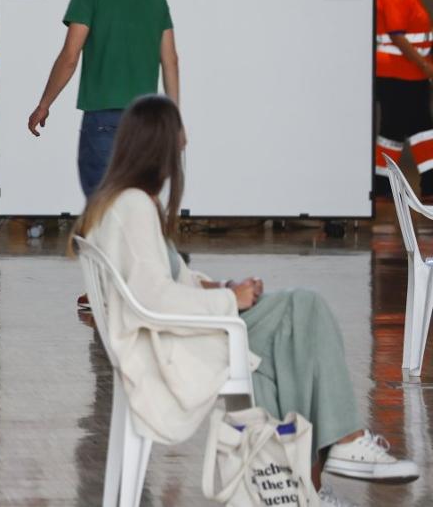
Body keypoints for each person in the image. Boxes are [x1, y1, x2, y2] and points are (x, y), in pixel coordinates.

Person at [76, 95, 418, 501]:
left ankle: (299, 486)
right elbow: (153, 296)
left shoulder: (121, 200)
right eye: (178, 133)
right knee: (303, 310)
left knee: (289, 337)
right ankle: (342, 443)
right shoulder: (133, 205)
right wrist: (229, 302)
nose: (184, 142)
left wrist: (219, 289)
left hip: (178, 331)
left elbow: (163, 280)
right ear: (160, 144)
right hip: (172, 343)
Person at [28, 0, 179, 198]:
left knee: (102, 207)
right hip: (144, 122)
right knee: (137, 204)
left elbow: (70, 56)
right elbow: (170, 61)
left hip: (103, 119)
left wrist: (44, 104)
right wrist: (175, 121)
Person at [374, 0, 433, 201]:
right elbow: (397, 36)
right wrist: (423, 64)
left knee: (394, 131)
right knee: (419, 128)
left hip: (409, 74)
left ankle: (382, 183)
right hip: (400, 74)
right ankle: (429, 184)